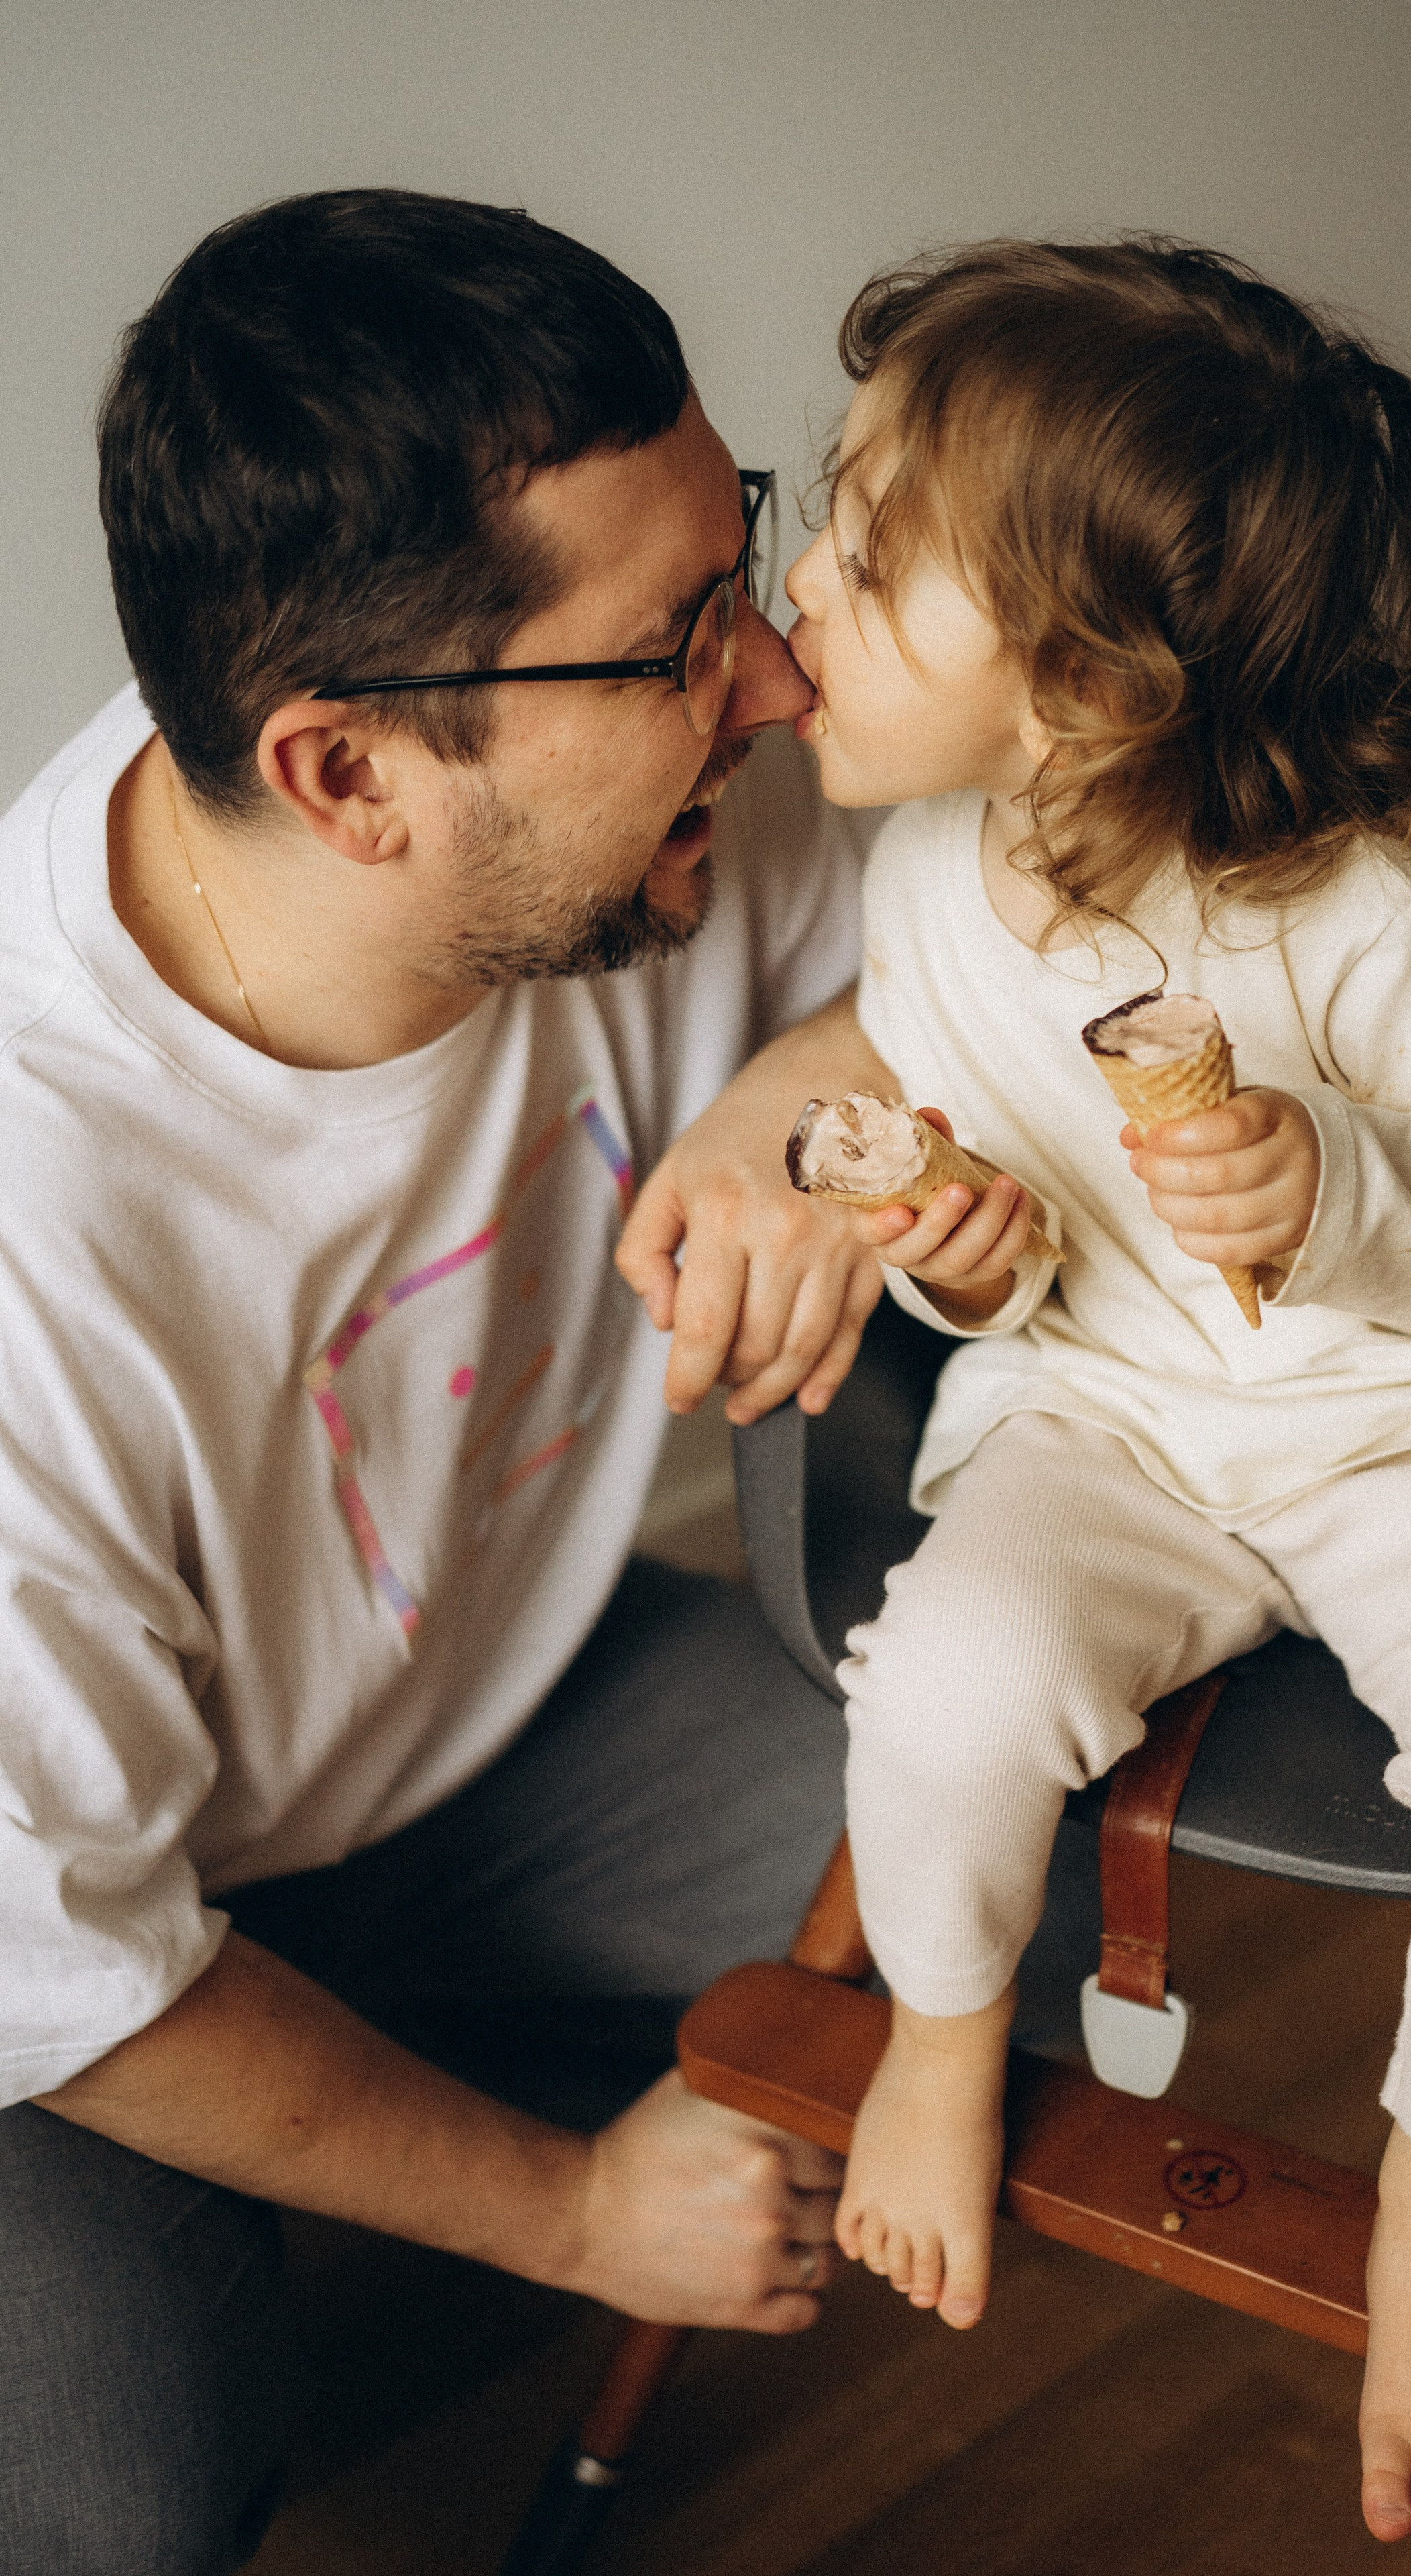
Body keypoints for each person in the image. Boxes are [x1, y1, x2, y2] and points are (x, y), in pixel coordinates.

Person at [0, 184, 930, 2574]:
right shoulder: (31, 1233)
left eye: (743, 556)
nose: (788, 684)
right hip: (66, 1953)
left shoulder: (604, 765)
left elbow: (1026, 919)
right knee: (125, 2488)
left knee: (967, 1945)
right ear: (343, 779)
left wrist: (809, 1090)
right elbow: (68, 1968)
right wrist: (578, 2215)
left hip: (451, 1747)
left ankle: (369, 2114)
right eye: (688, 641)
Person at [779, 237, 1411, 2544]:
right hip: (1111, 1421)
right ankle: (948, 2034)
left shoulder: (1386, 907)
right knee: (949, 1681)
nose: (807, 573)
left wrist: (1336, 1180)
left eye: (871, 555)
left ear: (1080, 682)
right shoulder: (926, 885)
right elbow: (1025, 1259)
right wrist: (975, 1257)